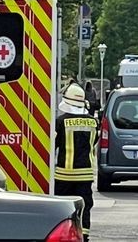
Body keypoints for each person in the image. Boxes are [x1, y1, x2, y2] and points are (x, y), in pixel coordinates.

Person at [54, 83, 99, 240]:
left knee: (63, 208)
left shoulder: (60, 122)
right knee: (84, 207)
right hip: (85, 175)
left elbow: (54, 145)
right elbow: (92, 143)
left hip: (64, 174)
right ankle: (84, 236)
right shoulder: (93, 122)